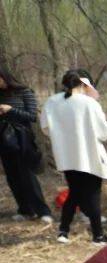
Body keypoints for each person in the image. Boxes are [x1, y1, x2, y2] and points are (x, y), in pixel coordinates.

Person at [41, 69, 107, 245]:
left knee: (74, 193)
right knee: (93, 196)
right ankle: (98, 236)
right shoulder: (89, 103)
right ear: (83, 84)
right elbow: (104, 132)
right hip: (89, 156)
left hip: (66, 157)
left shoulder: (52, 102)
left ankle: (63, 232)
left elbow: (45, 128)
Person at [0, 66, 53, 223]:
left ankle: (43, 211)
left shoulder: (24, 91)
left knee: (27, 176)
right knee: (12, 177)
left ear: (4, 77)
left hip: (22, 139)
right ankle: (25, 210)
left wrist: (10, 110)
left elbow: (31, 116)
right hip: (3, 140)